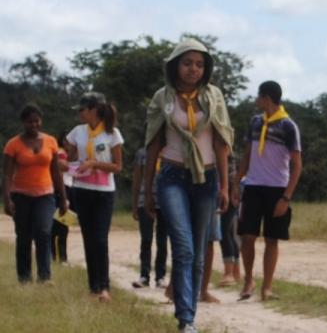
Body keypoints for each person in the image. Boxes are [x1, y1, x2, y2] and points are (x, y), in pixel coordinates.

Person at [144, 39, 232, 333]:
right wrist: (147, 191)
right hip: (171, 178)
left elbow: (221, 141)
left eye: (199, 64)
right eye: (187, 63)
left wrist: (225, 187)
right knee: (183, 247)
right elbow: (153, 143)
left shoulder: (213, 96)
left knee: (198, 250)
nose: (194, 69)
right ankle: (185, 319)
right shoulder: (162, 98)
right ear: (174, 65)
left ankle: (189, 315)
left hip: (206, 179)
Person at [237, 80, 302, 302]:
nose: (256, 100)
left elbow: (297, 165)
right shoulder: (255, 122)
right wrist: (237, 182)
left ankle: (267, 286)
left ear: (267, 98)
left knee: (271, 239)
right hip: (253, 186)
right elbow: (247, 155)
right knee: (247, 237)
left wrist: (287, 197)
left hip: (277, 189)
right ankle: (248, 281)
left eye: (258, 96)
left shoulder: (288, 126)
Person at [65, 92, 124, 302]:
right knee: (88, 238)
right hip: (81, 189)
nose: (79, 114)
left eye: (82, 110)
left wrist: (95, 164)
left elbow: (118, 167)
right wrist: (65, 161)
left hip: (104, 192)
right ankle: (93, 286)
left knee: (100, 238)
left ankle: (104, 286)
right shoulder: (77, 132)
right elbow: (68, 157)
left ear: (93, 110)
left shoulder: (112, 134)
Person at [2, 103, 68, 283]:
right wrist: (7, 200)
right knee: (23, 236)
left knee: (44, 231)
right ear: (23, 122)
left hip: (45, 195)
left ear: (41, 121)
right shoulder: (12, 145)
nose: (34, 125)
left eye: (37, 121)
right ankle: (24, 277)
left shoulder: (51, 142)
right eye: (30, 122)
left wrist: (63, 199)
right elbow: (6, 175)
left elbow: (56, 172)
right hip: (21, 195)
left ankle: (45, 276)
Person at [131, 147, 168, 289]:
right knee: (146, 239)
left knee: (162, 240)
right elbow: (137, 178)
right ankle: (144, 275)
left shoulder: (169, 153)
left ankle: (161, 276)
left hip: (165, 201)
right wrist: (134, 205)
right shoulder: (142, 153)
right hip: (144, 200)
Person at [218, 155, 242, 286]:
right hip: (218, 189)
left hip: (228, 191)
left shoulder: (225, 144)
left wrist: (233, 189)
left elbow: (231, 169)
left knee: (224, 230)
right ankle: (235, 272)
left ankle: (230, 272)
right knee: (228, 231)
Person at [51, 130, 72, 263]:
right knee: (60, 225)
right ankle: (58, 257)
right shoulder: (61, 153)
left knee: (62, 224)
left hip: (66, 189)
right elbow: (62, 168)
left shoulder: (67, 154)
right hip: (61, 189)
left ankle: (59, 256)